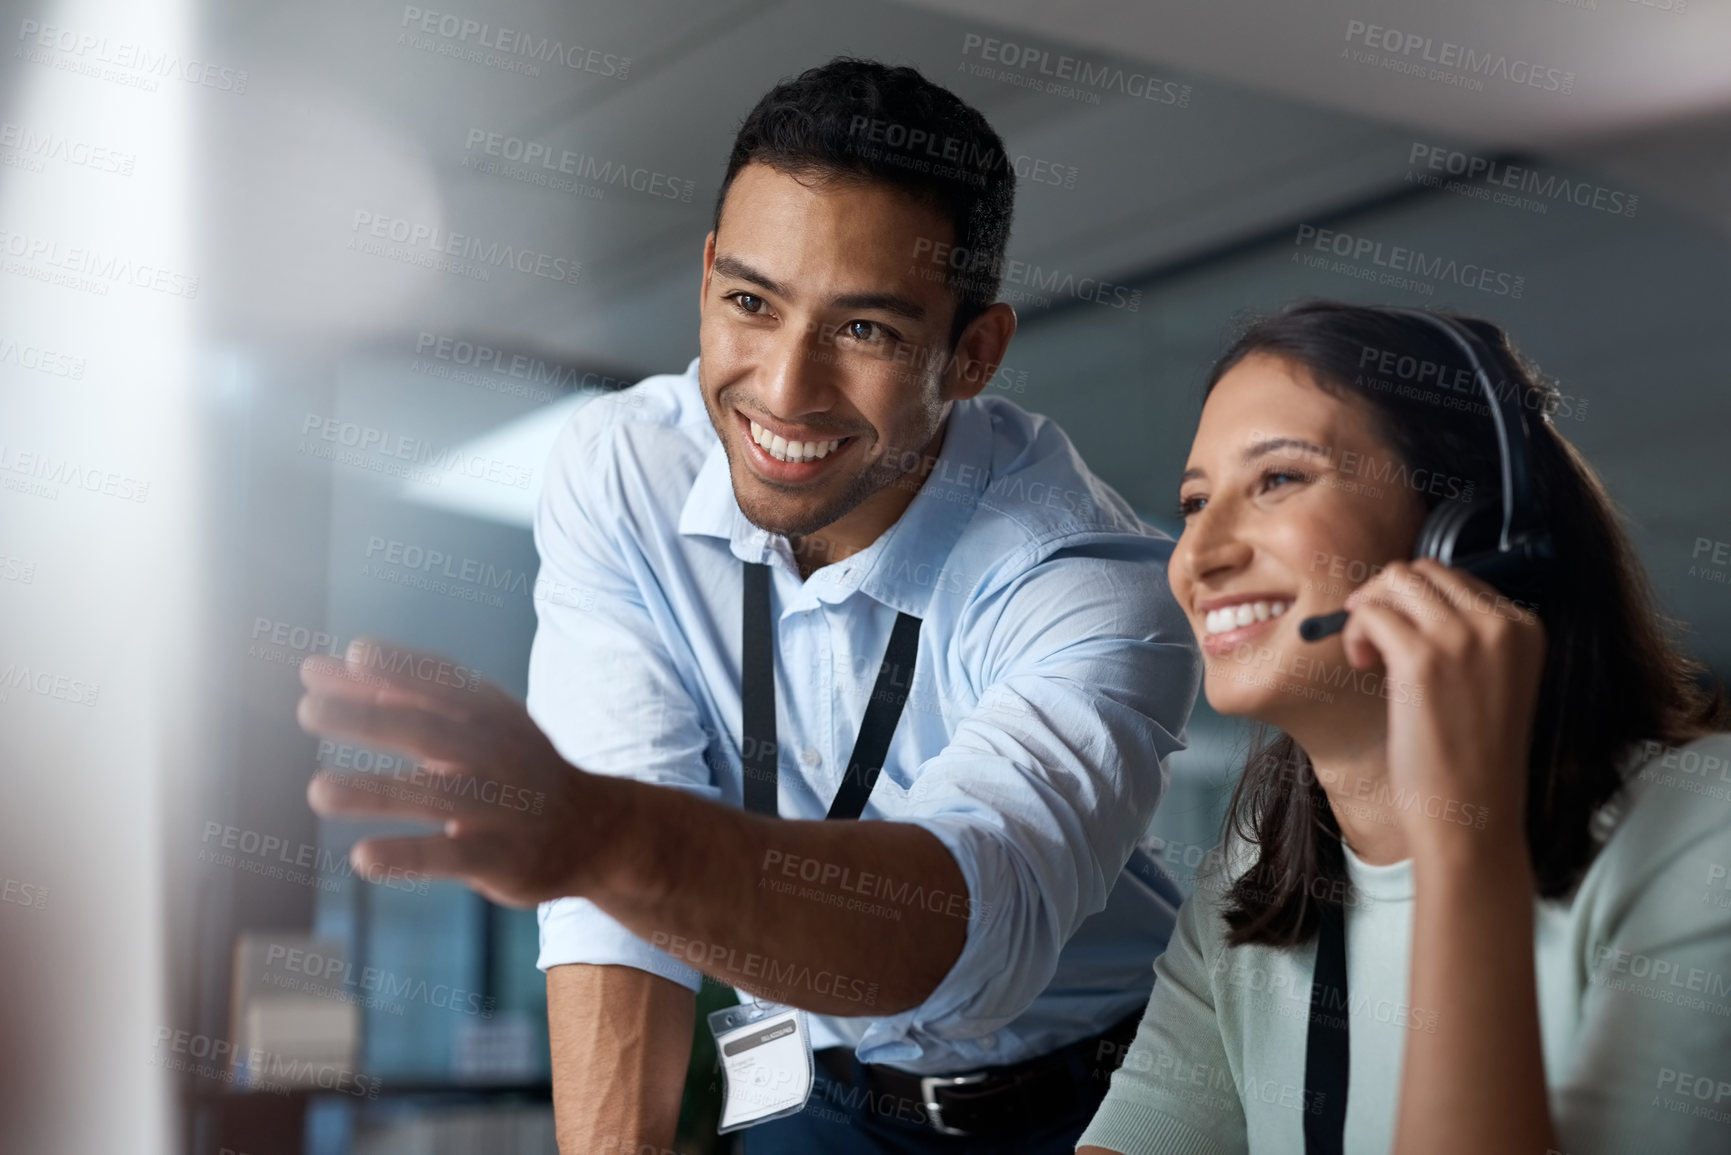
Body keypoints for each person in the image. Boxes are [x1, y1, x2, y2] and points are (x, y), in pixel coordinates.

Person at [295, 59, 1200, 1152]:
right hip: (814, 1080)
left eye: (865, 331)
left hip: (1090, 1087)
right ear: (708, 274)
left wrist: (601, 834)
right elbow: (613, 906)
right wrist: (602, 845)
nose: (783, 390)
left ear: (974, 353)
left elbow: (974, 936)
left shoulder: (1086, 580)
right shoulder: (625, 471)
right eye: (751, 304)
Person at [1076, 300, 1731, 1155]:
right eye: (1195, 502)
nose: (1198, 556)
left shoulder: (1704, 831)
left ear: (1469, 534)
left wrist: (1462, 836)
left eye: (1278, 479)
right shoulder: (1252, 872)